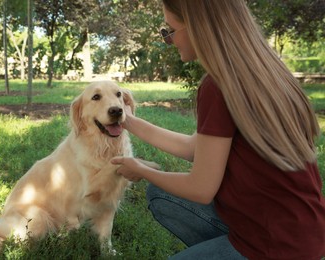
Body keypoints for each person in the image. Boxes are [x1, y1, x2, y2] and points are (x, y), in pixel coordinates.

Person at [111, 0, 325, 259]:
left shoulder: (218, 85)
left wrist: (140, 170)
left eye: (169, 31)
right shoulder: (263, 73)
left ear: (198, 27)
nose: (169, 41)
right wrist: (129, 121)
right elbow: (194, 148)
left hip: (275, 246)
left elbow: (201, 188)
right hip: (303, 230)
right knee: (162, 192)